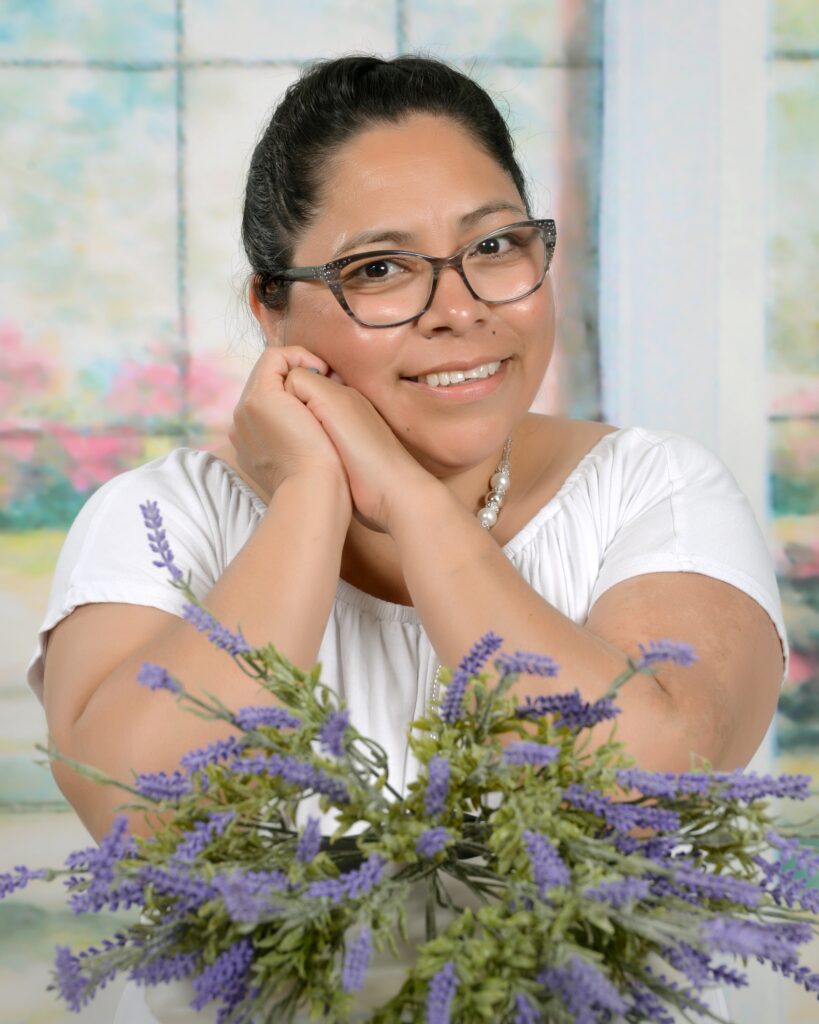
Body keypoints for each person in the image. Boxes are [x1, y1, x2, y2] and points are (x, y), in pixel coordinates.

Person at [29, 54, 785, 1022]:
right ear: (270, 307)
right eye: (379, 269)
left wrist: (412, 503)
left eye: (497, 246)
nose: (461, 307)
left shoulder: (654, 494)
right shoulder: (158, 522)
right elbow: (144, 814)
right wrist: (309, 497)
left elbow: (639, 784)